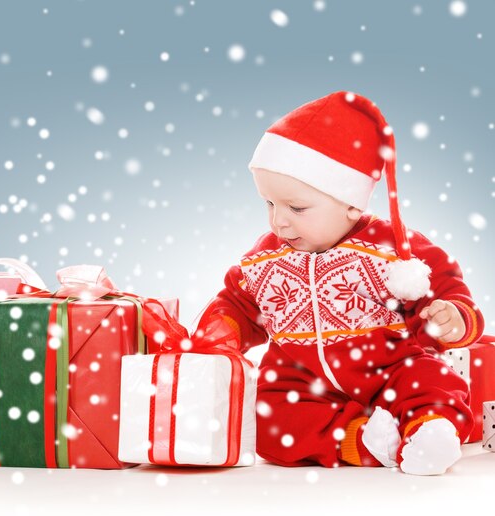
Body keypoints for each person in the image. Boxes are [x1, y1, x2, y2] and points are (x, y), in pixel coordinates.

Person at [194, 91, 484, 475]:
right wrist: (221, 333)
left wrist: (453, 316)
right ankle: (361, 440)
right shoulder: (266, 259)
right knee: (266, 422)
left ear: (350, 203)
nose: (278, 222)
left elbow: (443, 284)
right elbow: (237, 302)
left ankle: (429, 430)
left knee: (432, 380)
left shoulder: (391, 248)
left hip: (388, 372)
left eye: (296, 208)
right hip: (303, 383)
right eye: (269, 203)